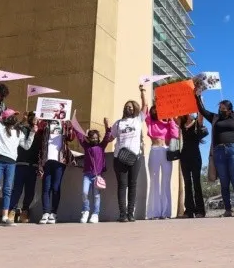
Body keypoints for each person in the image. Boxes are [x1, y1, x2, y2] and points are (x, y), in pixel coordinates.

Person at [197, 86, 234, 217]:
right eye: (219, 107)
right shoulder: (214, 118)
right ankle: (228, 209)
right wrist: (197, 96)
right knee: (224, 181)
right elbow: (202, 110)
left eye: (223, 108)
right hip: (218, 151)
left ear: (229, 109)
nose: (220, 109)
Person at [0, 101, 36, 227]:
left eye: (15, 116)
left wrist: (33, 133)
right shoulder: (0, 127)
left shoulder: (19, 132)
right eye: (12, 115)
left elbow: (27, 146)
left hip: (12, 163)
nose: (15, 117)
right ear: (6, 118)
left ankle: (5, 216)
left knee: (7, 190)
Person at [105, 84, 147, 222]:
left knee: (133, 184)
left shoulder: (138, 120)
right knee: (122, 185)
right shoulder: (118, 123)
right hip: (119, 157)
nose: (127, 108)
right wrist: (107, 128)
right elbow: (111, 137)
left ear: (134, 109)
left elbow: (145, 105)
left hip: (135, 157)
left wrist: (142, 91)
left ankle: (131, 213)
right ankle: (122, 214)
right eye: (126, 107)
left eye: (130, 107)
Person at [145, 104, 179, 220]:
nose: (155, 111)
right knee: (154, 180)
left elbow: (175, 135)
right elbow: (145, 113)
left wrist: (171, 121)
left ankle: (166, 212)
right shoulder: (150, 122)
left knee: (166, 181)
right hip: (154, 150)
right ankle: (154, 212)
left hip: (165, 151)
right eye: (153, 109)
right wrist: (143, 93)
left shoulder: (168, 122)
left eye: (157, 109)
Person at [71, 126, 111, 223]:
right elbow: (80, 137)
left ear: (98, 138)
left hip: (97, 176)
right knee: (84, 193)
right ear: (89, 138)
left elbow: (107, 137)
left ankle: (95, 214)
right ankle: (86, 211)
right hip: (87, 175)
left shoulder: (101, 146)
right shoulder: (86, 146)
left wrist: (107, 127)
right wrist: (74, 125)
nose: (94, 139)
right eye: (92, 137)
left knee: (96, 195)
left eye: (96, 137)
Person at [37, 120, 73, 224]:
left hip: (60, 160)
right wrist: (39, 124)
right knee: (46, 187)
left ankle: (53, 213)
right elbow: (38, 135)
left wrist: (70, 127)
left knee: (56, 187)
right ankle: (46, 213)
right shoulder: (45, 124)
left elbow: (70, 138)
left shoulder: (64, 124)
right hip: (46, 160)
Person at [10, 112, 42, 223]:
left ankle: (25, 211)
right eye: (32, 116)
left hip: (33, 165)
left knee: (30, 191)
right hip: (20, 164)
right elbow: (13, 128)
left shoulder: (40, 132)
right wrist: (22, 120)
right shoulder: (22, 128)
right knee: (17, 190)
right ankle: (12, 210)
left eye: (36, 117)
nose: (34, 119)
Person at [178, 114, 209, 218]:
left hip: (195, 156)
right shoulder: (182, 123)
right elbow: (173, 114)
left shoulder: (197, 123)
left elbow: (201, 115)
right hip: (184, 156)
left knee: (196, 183)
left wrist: (199, 100)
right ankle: (189, 211)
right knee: (187, 183)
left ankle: (200, 211)